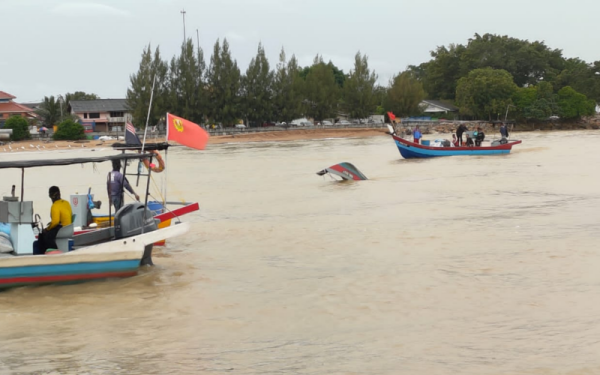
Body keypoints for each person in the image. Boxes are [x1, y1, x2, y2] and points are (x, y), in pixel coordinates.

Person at [33, 186, 72, 255]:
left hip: (61, 229)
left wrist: (47, 229)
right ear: (59, 194)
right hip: (68, 228)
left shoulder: (55, 206)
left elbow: (55, 222)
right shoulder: (66, 203)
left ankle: (48, 253)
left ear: (50, 196)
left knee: (43, 235)